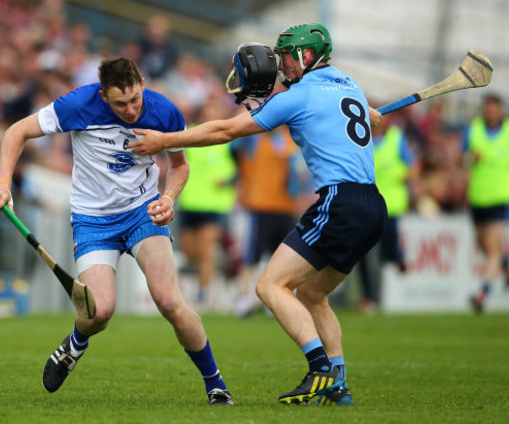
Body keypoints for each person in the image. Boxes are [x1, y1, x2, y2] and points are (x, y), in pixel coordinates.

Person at [130, 24, 386, 406]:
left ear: (306, 56)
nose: (282, 64)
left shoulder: (299, 95)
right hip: (372, 207)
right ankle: (339, 384)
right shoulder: (348, 83)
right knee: (312, 294)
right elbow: (354, 115)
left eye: (286, 56)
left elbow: (225, 130)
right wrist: (368, 113)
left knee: (270, 286)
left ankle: (320, 370)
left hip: (340, 202)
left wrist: (165, 140)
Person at [0, 57, 233, 406]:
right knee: (98, 312)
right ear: (103, 96)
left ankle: (216, 385)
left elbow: (179, 166)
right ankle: (74, 345)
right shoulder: (77, 105)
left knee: (169, 301)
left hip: (142, 213)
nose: (131, 110)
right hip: (92, 220)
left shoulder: (163, 111)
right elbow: (16, 132)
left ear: (142, 84)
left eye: (135, 100)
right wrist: (3, 183)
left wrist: (168, 198)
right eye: (120, 103)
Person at [231, 125, 315, 317]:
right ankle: (244, 298)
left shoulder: (290, 139)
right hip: (259, 205)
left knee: (284, 256)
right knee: (252, 255)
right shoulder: (253, 139)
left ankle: (278, 297)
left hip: (285, 206)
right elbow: (234, 145)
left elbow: (301, 172)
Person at [463, 94, 509, 312]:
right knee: (484, 246)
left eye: (494, 109)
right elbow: (462, 159)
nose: (490, 112)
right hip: (479, 197)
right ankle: (507, 264)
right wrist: (472, 158)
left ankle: (482, 294)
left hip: (503, 197)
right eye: (487, 109)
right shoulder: (473, 130)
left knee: (491, 247)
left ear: (500, 110)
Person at [356, 113, 420, 313]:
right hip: (367, 206)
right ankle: (368, 298)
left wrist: (404, 176)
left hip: (391, 205)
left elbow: (414, 167)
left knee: (386, 252)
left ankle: (397, 257)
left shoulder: (396, 137)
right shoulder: (359, 137)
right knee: (364, 254)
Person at [177, 101, 237, 306]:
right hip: (189, 202)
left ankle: (203, 293)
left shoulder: (229, 140)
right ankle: (197, 284)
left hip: (214, 204)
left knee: (205, 250)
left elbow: (241, 169)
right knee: (188, 252)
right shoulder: (190, 135)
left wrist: (229, 180)